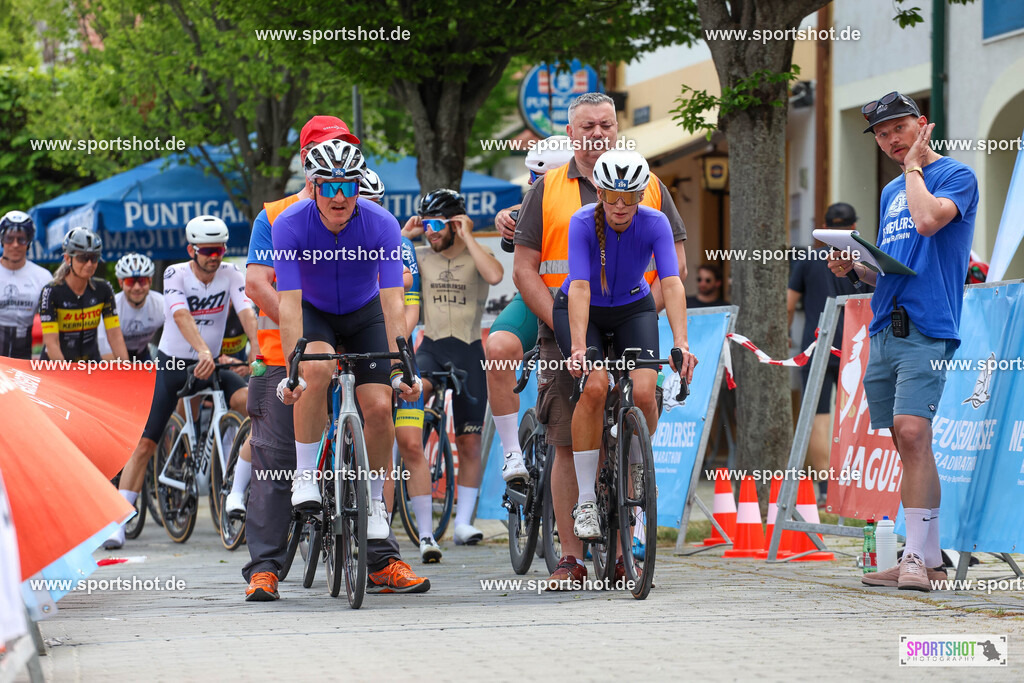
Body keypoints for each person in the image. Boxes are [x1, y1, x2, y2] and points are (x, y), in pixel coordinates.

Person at [244, 120, 428, 601]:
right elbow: (283, 301)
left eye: (350, 180)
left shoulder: (380, 222)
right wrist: (294, 367)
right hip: (308, 319)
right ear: (312, 174)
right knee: (308, 389)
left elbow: (393, 303)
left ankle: (375, 519)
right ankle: (271, 553)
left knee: (378, 404)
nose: (341, 195)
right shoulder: (280, 220)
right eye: (330, 184)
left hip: (364, 313)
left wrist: (401, 366)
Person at [513, 91, 689, 589]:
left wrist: (675, 336)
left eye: (606, 124)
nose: (597, 132)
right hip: (568, 319)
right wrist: (567, 333)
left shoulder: (651, 187)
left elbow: (672, 274)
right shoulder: (548, 190)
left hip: (632, 310)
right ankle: (570, 555)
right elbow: (531, 270)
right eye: (587, 125)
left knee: (642, 394)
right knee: (569, 433)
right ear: (571, 133)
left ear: (617, 128)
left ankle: (618, 547)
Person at [829, 91, 978, 592]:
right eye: (882, 133)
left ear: (922, 125)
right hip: (883, 326)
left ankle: (916, 557)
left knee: (913, 433)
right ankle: (928, 560)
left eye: (899, 128)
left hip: (930, 324)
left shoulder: (954, 176)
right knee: (902, 438)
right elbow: (889, 272)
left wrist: (915, 169)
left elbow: (929, 221)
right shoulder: (892, 190)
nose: (891, 140)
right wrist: (855, 268)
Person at [552, 149, 696, 548]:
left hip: (633, 306)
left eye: (630, 197)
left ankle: (633, 465)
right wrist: (579, 347)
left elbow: (671, 282)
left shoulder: (656, 222)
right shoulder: (582, 221)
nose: (620, 206)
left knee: (647, 391)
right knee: (596, 386)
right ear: (597, 191)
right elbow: (580, 285)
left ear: (641, 194)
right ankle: (585, 501)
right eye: (611, 196)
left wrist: (681, 342)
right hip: (583, 310)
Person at [104, 215, 257, 550]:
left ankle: (238, 489)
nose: (214, 257)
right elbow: (179, 314)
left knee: (251, 405)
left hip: (211, 363)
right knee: (146, 443)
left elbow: (247, 311)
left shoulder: (231, 273)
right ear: (192, 250)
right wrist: (201, 349)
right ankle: (117, 520)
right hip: (174, 364)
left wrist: (258, 352)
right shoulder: (175, 273)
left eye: (219, 250)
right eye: (207, 251)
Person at [403, 189, 503, 547]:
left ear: (455, 223)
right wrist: (404, 235)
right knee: (414, 396)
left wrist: (468, 236)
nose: (430, 231)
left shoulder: (477, 253)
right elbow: (381, 265)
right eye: (425, 223)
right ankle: (414, 452)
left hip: (468, 350)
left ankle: (463, 522)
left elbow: (494, 275)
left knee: (470, 440)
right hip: (430, 347)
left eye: (436, 224)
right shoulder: (419, 256)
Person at [486, 136, 574, 485]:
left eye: (535, 177)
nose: (528, 184)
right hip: (535, 299)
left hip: (586, 304)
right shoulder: (529, 206)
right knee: (498, 349)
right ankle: (511, 453)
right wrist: (504, 218)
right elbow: (512, 235)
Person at [788, 203, 872, 504]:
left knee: (818, 416)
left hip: (817, 345)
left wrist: (785, 334)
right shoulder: (862, 256)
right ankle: (859, 485)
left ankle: (824, 490)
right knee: (858, 416)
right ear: (853, 226)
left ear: (824, 226)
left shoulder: (809, 258)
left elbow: (789, 302)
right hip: (855, 346)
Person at [39, 227, 129, 362]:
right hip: (57, 366)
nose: (89, 264)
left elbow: (114, 335)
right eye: (83, 258)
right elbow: (52, 343)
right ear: (68, 259)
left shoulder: (103, 289)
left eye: (94, 258)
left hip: (90, 365)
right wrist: (66, 377)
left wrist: (126, 367)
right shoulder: (51, 291)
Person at [0, 211, 51, 359]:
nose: (15, 245)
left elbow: (52, 323)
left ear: (29, 242)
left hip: (24, 354)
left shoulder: (43, 277)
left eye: (21, 239)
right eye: (9, 239)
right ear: (2, 240)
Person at [97, 253, 163, 361]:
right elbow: (103, 351)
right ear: (120, 283)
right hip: (113, 355)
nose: (136, 288)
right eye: (130, 282)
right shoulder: (110, 307)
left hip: (142, 353)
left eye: (142, 281)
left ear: (150, 281)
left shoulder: (161, 304)